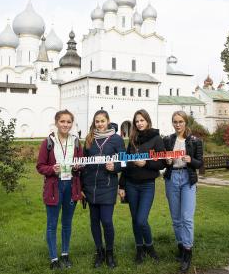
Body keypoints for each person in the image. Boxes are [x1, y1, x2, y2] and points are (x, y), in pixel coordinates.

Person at [36, 110, 84, 270]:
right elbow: (40, 166)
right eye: (62, 121)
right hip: (54, 187)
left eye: (68, 122)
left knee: (67, 223)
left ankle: (65, 255)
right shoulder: (48, 142)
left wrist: (78, 166)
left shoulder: (76, 141)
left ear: (72, 124)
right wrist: (52, 170)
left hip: (71, 186)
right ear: (56, 122)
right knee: (52, 224)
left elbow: (81, 164)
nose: (65, 124)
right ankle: (54, 259)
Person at [118, 109, 165, 264]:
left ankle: (149, 247)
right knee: (134, 219)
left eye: (142, 120)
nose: (139, 123)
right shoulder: (132, 139)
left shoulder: (156, 139)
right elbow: (124, 163)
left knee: (141, 220)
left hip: (147, 185)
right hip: (131, 184)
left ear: (147, 121)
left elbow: (162, 162)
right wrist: (122, 185)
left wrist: (146, 163)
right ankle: (140, 249)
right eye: (137, 121)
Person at [81, 110, 125, 268]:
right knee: (94, 221)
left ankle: (110, 253)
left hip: (107, 186)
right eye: (97, 121)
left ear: (108, 121)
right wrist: (81, 186)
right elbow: (83, 163)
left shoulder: (117, 139)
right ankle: (99, 252)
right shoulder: (89, 139)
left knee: (106, 221)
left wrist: (115, 166)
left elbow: (124, 161)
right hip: (90, 186)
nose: (99, 124)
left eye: (102, 121)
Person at [163, 111, 203, 273]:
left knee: (187, 218)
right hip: (172, 178)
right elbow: (164, 160)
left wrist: (190, 160)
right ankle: (181, 246)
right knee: (176, 218)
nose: (178, 124)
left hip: (188, 178)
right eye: (175, 122)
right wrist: (167, 160)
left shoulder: (195, 141)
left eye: (180, 121)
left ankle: (187, 251)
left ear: (186, 123)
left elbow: (200, 163)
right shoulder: (168, 140)